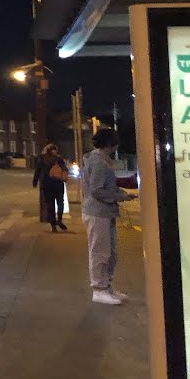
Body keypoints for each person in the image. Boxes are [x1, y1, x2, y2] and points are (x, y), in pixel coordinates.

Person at [82, 128, 136, 305]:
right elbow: (97, 190)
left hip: (104, 211)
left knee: (110, 252)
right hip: (97, 212)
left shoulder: (101, 159)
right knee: (100, 251)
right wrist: (120, 196)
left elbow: (104, 187)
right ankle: (99, 289)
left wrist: (120, 193)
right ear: (110, 143)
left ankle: (106, 287)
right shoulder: (98, 161)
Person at [32, 143, 69, 232]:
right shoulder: (59, 159)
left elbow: (38, 171)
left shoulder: (42, 158)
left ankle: (53, 225)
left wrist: (35, 182)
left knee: (50, 204)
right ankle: (59, 219)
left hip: (47, 184)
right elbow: (65, 169)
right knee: (60, 202)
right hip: (58, 184)